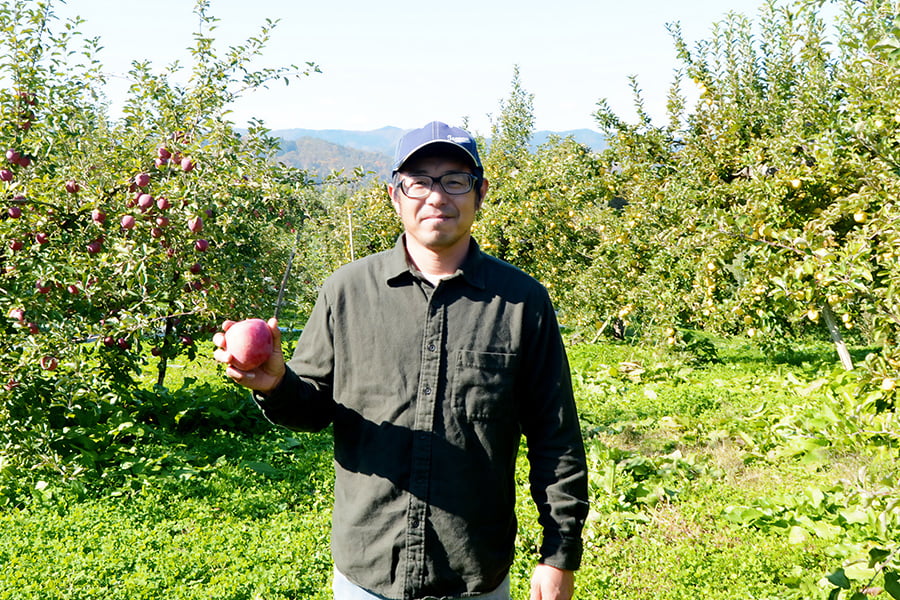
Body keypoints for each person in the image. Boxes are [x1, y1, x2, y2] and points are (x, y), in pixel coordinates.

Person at [214, 121, 589, 600]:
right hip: (367, 572)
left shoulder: (521, 302)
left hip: (475, 572)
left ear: (480, 193)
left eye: (455, 181)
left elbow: (555, 435)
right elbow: (312, 410)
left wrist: (559, 554)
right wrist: (275, 384)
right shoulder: (346, 292)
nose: (436, 196)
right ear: (395, 195)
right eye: (419, 182)